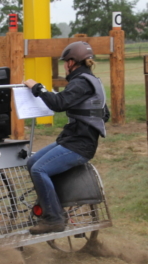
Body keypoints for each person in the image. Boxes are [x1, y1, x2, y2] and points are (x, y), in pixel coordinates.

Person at [24, 41, 110, 235]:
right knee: (32, 162)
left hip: (79, 145)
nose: (64, 66)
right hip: (74, 140)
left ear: (72, 62)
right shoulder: (91, 80)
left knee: (39, 170)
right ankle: (52, 207)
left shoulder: (80, 83)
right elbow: (105, 114)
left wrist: (37, 87)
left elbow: (58, 103)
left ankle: (54, 218)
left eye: (65, 62)